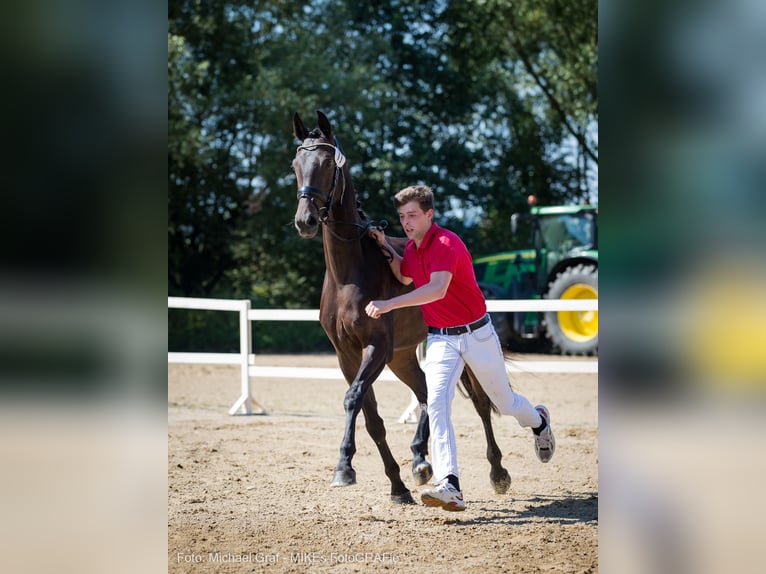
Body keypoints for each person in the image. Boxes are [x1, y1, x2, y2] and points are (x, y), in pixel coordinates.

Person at [365, 185, 555, 512]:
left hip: (477, 335)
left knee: (505, 403)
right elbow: (404, 274)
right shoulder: (412, 249)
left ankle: (538, 421)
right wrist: (385, 246)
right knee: (436, 403)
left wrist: (389, 304)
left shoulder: (446, 243)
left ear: (429, 214)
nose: (406, 222)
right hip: (441, 339)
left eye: (412, 215)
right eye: (401, 216)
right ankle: (450, 484)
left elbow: (436, 290)